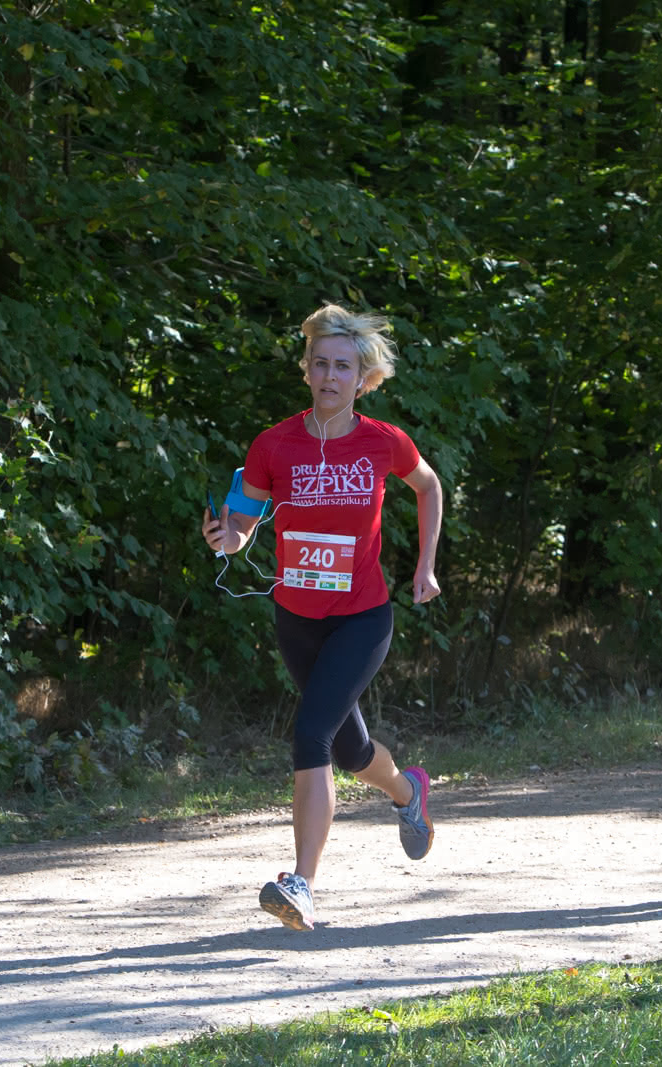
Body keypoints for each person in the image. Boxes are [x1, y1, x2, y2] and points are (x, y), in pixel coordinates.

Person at [201, 304, 444, 930]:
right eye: (320, 364)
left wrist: (425, 566)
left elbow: (429, 487)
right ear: (306, 371)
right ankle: (406, 790)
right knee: (349, 745)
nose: (330, 375)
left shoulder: (383, 441)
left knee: (309, 734)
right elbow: (243, 528)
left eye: (343, 366)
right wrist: (224, 538)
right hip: (296, 616)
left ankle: (302, 884)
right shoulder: (273, 444)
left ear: (362, 377)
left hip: (363, 617)